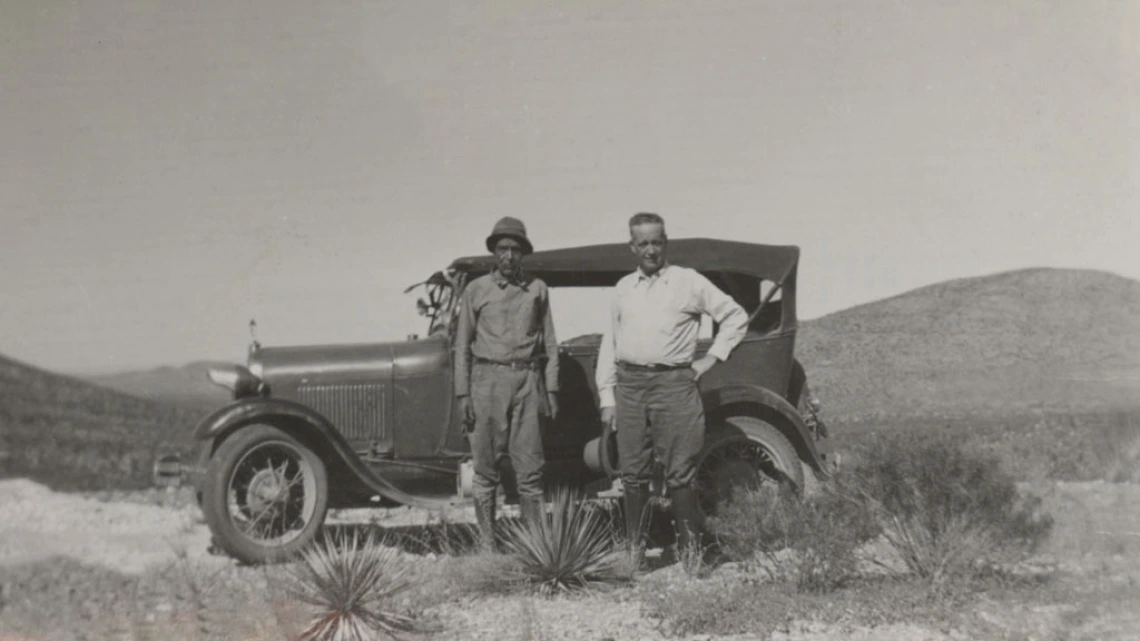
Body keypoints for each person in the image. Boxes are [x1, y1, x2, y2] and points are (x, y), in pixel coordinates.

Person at [595, 212, 749, 561]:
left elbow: (735, 317)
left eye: (657, 241)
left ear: (666, 242)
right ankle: (634, 554)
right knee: (632, 471)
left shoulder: (687, 281)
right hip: (630, 385)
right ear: (632, 246)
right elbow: (611, 342)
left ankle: (691, 553)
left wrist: (710, 359)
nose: (651, 249)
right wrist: (608, 396)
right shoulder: (623, 288)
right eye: (644, 243)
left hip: (675, 384)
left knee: (680, 471)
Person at [453, 216, 560, 550]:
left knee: (531, 471)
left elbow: (551, 344)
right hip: (487, 382)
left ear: (524, 253)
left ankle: (535, 546)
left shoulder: (537, 290)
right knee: (485, 472)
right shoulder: (476, 291)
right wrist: (463, 394)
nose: (509, 256)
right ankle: (487, 544)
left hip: (527, 380)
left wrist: (551, 389)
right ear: (494, 253)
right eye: (503, 249)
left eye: (516, 250)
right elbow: (462, 346)